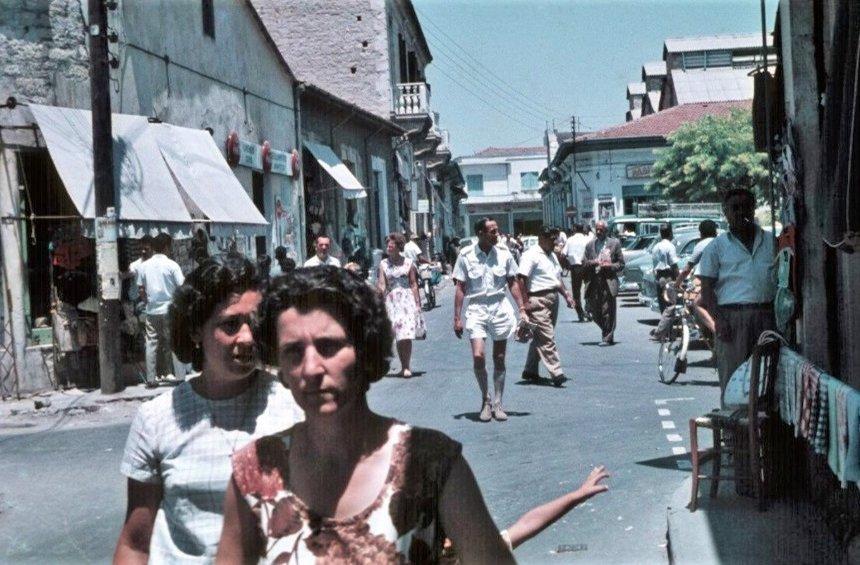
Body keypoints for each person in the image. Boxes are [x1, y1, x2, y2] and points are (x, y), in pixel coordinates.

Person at [217, 267, 516, 564]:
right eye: (293, 352)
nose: (311, 368)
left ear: (365, 349)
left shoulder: (431, 464)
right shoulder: (254, 470)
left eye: (329, 347)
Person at [114, 254, 303, 563]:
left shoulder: (293, 406)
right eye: (230, 324)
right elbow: (135, 543)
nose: (246, 337)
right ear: (194, 332)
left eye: (254, 323)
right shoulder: (157, 418)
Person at [697, 188, 776, 406]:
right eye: (735, 208)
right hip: (732, 321)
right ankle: (734, 438)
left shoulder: (772, 242)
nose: (742, 212)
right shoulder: (716, 247)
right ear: (726, 212)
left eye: (746, 206)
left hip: (768, 318)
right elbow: (706, 291)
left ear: (754, 208)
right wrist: (719, 320)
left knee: (768, 380)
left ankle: (763, 437)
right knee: (734, 380)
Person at [452, 217, 527, 422]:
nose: (497, 234)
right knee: (478, 356)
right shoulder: (466, 256)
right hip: (476, 308)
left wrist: (521, 309)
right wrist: (457, 317)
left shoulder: (504, 254)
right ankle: (485, 399)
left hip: (499, 306)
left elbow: (512, 283)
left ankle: (498, 402)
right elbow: (460, 288)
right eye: (492, 231)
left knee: (499, 358)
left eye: (497, 230)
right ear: (481, 234)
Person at [518, 225, 575, 386]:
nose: (555, 242)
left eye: (556, 238)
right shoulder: (531, 255)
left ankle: (530, 370)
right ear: (542, 238)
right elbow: (521, 278)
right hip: (537, 299)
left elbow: (556, 279)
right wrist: (525, 302)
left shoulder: (552, 256)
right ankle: (556, 372)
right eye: (552, 239)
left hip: (552, 298)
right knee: (547, 337)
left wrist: (567, 296)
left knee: (540, 336)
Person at [137, 233, 185, 386]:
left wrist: (148, 303)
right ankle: (180, 377)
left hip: (151, 311)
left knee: (151, 343)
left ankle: (151, 379)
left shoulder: (143, 266)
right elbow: (182, 287)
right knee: (174, 341)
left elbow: (141, 290)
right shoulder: (172, 265)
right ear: (166, 247)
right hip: (170, 310)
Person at [377, 232, 424, 378]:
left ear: (399, 246)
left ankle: (406, 366)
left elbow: (413, 284)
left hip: (406, 299)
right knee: (397, 333)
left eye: (391, 245)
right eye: (387, 245)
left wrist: (417, 304)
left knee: (406, 334)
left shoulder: (409, 263)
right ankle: (401, 365)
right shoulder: (383, 264)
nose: (388, 248)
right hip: (391, 301)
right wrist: (378, 297)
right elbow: (382, 285)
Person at [583, 220, 625, 346]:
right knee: (595, 311)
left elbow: (621, 264)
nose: (599, 232)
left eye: (601, 229)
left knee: (608, 310)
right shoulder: (590, 245)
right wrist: (593, 262)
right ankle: (606, 330)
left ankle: (607, 336)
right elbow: (584, 263)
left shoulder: (614, 243)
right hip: (594, 282)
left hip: (608, 281)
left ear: (606, 231)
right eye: (597, 229)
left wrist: (609, 265)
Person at [561, 223, 590, 322]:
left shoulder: (570, 240)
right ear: (583, 229)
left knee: (576, 292)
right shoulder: (587, 239)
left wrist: (567, 264)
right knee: (589, 288)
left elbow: (563, 254)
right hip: (587, 266)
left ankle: (580, 314)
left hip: (575, 267)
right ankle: (589, 309)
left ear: (574, 229)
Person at [651, 224, 679, 313]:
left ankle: (665, 325)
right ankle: (666, 326)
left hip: (659, 277)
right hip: (668, 277)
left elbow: (654, 265)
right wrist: (679, 280)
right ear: (670, 233)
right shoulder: (670, 246)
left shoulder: (655, 247)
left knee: (663, 306)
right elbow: (674, 265)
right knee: (670, 306)